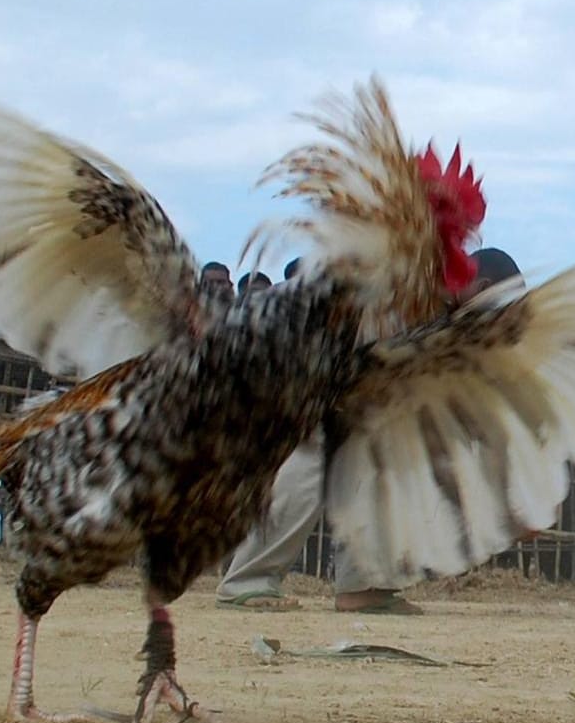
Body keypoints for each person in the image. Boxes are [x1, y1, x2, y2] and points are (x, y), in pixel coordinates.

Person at [215, 247, 526, 614]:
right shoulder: (413, 290)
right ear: (481, 285)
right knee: (316, 454)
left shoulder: (439, 306)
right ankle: (246, 582)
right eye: (496, 303)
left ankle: (362, 584)